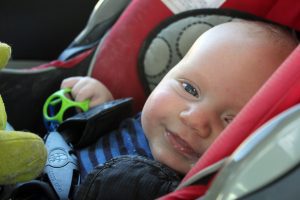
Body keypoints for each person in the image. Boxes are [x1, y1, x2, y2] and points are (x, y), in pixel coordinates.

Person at [61, 20, 298, 178]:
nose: (195, 120)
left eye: (231, 120)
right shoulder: (136, 122)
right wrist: (99, 108)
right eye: (189, 89)